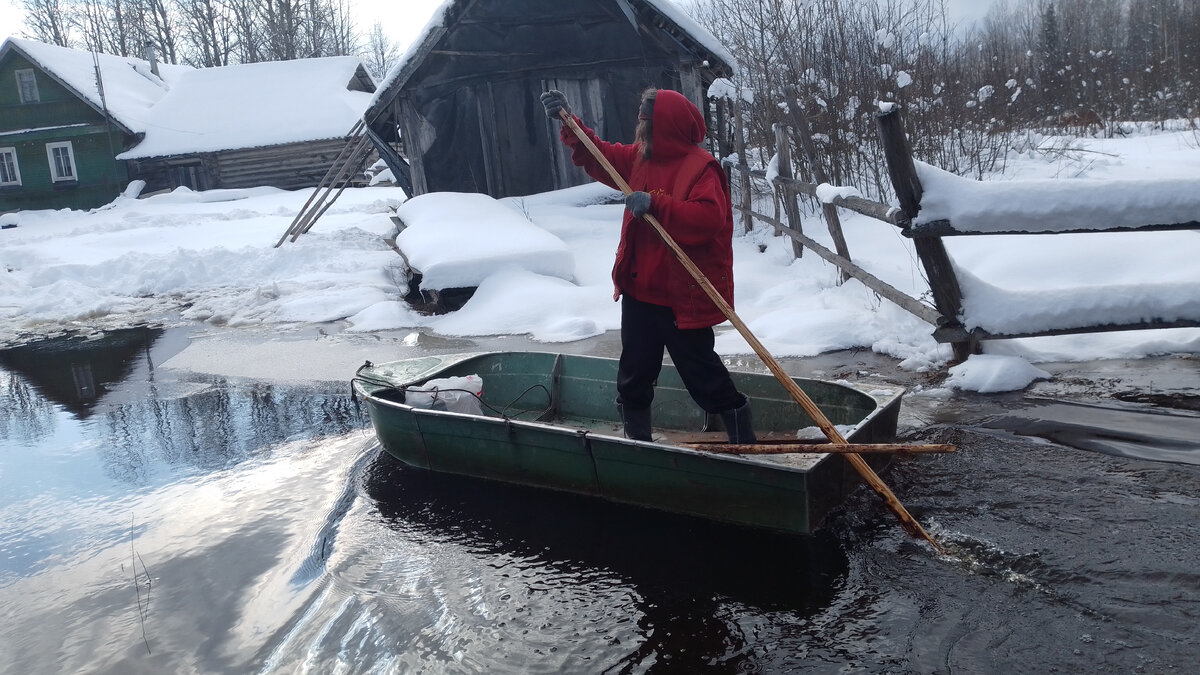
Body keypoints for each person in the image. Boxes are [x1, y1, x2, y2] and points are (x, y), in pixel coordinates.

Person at [539, 87, 756, 444]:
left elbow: (708, 219)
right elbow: (600, 156)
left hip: (682, 295)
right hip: (641, 292)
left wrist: (656, 204)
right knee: (635, 373)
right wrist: (569, 123)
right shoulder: (641, 157)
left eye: (644, 122)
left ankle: (742, 437)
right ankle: (638, 442)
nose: (639, 130)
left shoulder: (702, 168)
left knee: (702, 373)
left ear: (663, 125)